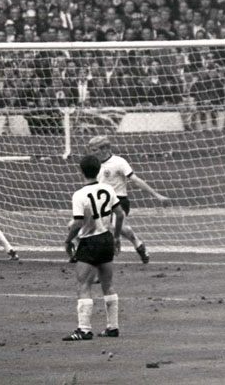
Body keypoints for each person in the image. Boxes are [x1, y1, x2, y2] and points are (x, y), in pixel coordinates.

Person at [62, 154, 125, 341]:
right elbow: (120, 215)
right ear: (99, 170)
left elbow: (77, 223)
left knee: (83, 285)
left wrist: (68, 240)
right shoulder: (108, 189)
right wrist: (116, 237)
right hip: (106, 238)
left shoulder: (79, 195)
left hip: (90, 241)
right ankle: (113, 327)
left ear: (80, 171)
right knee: (108, 284)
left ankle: (84, 329)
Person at [87, 136, 170, 263]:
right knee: (89, 227)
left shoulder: (119, 162)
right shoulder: (92, 163)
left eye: (94, 150)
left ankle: (104, 260)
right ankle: (137, 243)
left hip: (119, 200)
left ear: (105, 149)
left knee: (114, 227)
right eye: (91, 150)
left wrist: (157, 195)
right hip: (101, 202)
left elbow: (136, 180)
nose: (91, 153)